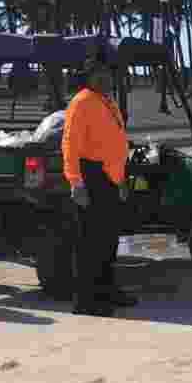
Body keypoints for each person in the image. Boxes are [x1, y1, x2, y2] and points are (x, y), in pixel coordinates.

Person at [61, 51, 138, 316]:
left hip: (109, 177)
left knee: (107, 240)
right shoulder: (81, 102)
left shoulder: (107, 102)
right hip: (90, 175)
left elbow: (114, 142)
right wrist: (76, 182)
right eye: (99, 74)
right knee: (89, 242)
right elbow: (70, 145)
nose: (105, 78)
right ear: (88, 78)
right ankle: (86, 300)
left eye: (107, 74)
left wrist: (120, 180)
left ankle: (107, 291)